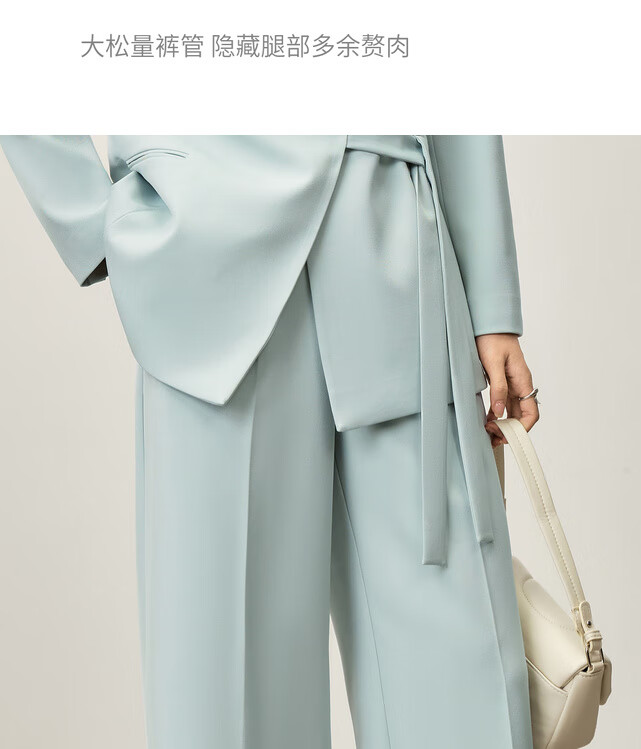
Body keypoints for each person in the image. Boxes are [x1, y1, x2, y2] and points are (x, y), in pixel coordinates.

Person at [1, 134, 540, 749]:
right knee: (226, 703)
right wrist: (89, 220)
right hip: (207, 258)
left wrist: (490, 295)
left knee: (462, 681)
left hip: (392, 234)